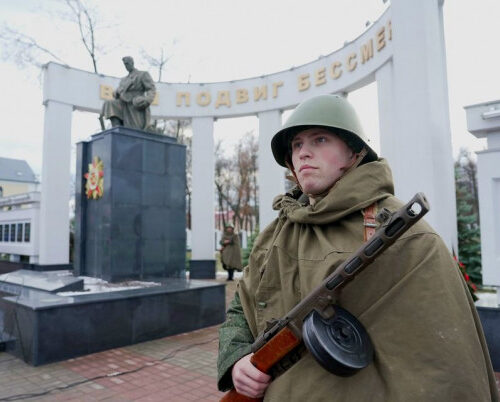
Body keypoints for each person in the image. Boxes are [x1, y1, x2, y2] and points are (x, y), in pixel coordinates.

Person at [217, 95, 498, 401]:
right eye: (296, 144)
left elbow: (443, 363)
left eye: (320, 139)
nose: (304, 153)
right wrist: (237, 361)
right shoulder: (278, 230)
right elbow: (241, 307)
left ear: (354, 151)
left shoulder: (403, 233)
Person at [101, 56, 156, 130]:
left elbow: (151, 89)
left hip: (134, 103)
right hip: (123, 104)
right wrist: (116, 93)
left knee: (134, 129)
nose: (126, 66)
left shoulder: (142, 74)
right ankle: (117, 130)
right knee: (109, 103)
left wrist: (146, 100)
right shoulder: (124, 79)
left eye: (127, 63)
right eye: (125, 64)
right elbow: (117, 92)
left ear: (132, 63)